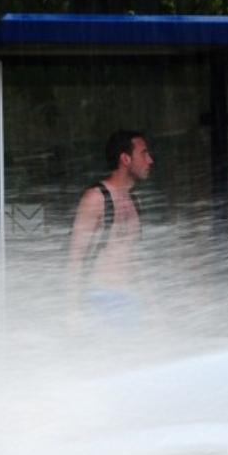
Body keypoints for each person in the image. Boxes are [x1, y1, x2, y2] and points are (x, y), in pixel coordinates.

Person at [67, 130, 154, 330]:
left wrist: (151, 305)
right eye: (143, 153)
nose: (150, 160)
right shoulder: (96, 198)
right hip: (99, 301)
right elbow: (75, 257)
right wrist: (72, 311)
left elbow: (135, 259)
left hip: (131, 302)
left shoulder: (135, 201)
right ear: (125, 158)